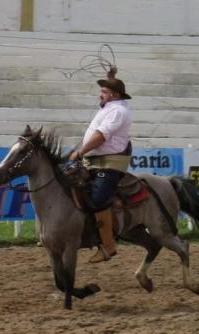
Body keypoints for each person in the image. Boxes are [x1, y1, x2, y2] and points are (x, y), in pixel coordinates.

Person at [68, 66, 132, 263]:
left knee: (97, 200)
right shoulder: (112, 107)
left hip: (109, 163)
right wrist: (110, 78)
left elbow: (101, 136)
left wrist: (79, 152)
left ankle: (108, 246)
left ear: (114, 95)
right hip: (95, 160)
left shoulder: (118, 111)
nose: (100, 94)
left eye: (104, 91)